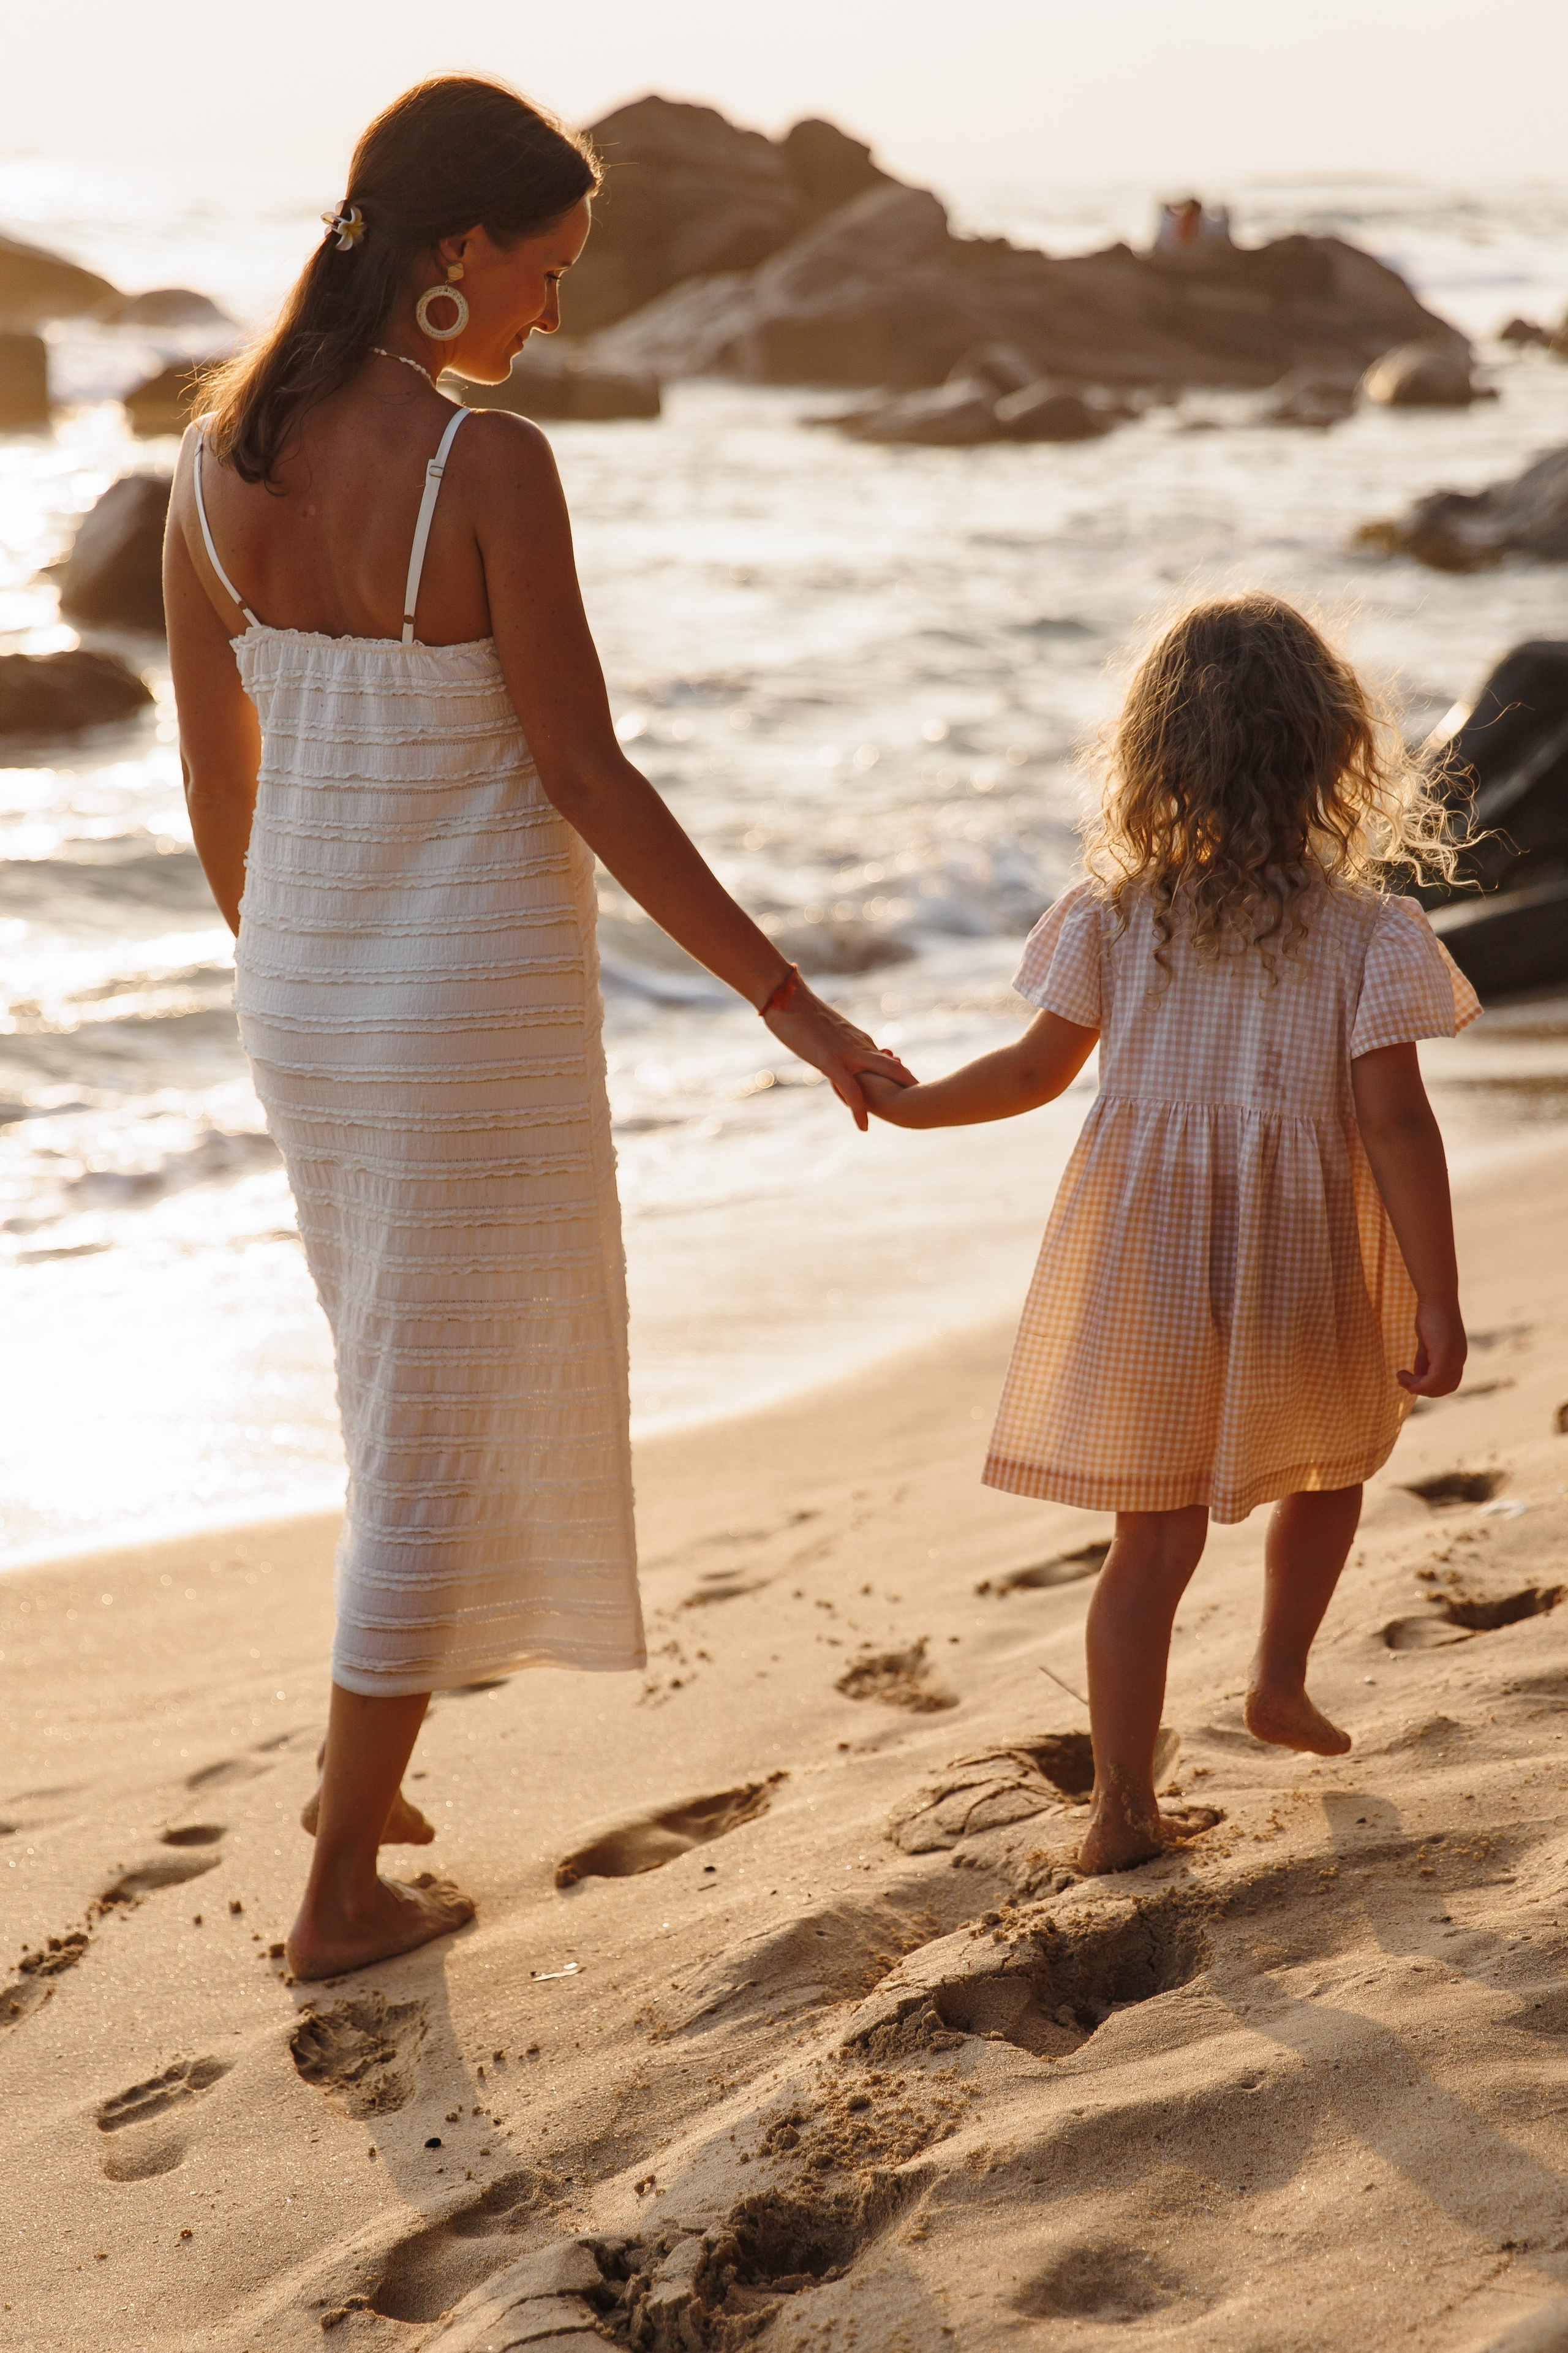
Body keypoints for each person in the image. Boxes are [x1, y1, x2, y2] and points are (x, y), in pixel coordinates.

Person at [163, 75, 911, 1980]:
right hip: (464, 1015)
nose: (552, 315)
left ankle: (372, 1759)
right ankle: (339, 1881)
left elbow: (215, 782)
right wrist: (795, 1005)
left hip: (307, 1004)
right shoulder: (485, 471)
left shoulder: (204, 470)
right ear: (450, 252)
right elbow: (586, 772)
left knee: (397, 1393)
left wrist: (295, 973)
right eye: (546, 272)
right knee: (430, 1425)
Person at [861, 595, 1478, 1875]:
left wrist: (912, 1105)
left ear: (1151, 760)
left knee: (1148, 1537)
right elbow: (1394, 1127)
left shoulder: (1115, 914)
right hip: (1297, 1246)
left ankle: (1118, 1809)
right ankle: (1276, 1678)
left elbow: (1034, 1073)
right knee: (1332, 1460)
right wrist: (1435, 1295)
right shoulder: (1366, 934)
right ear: (1331, 755)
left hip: (1142, 1249)